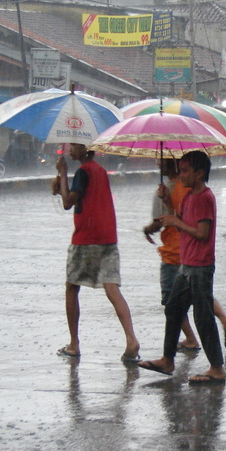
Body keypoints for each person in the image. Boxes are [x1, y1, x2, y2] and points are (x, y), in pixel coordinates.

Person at [138, 150, 226, 382]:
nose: (180, 176)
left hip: (200, 266)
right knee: (173, 308)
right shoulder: (191, 195)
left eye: (185, 171)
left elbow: (202, 233)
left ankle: (217, 368)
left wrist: (174, 221)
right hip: (186, 265)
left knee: (202, 317)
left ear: (199, 173)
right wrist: (169, 203)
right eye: (179, 171)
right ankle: (168, 360)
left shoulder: (204, 198)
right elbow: (182, 220)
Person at [55, 143, 140, 361]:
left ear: (86, 148)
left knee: (71, 287)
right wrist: (62, 179)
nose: (70, 149)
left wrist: (63, 174)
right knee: (112, 288)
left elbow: (67, 202)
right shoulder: (100, 170)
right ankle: (131, 339)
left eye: (75, 145)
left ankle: (74, 344)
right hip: (108, 236)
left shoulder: (83, 172)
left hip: (86, 237)